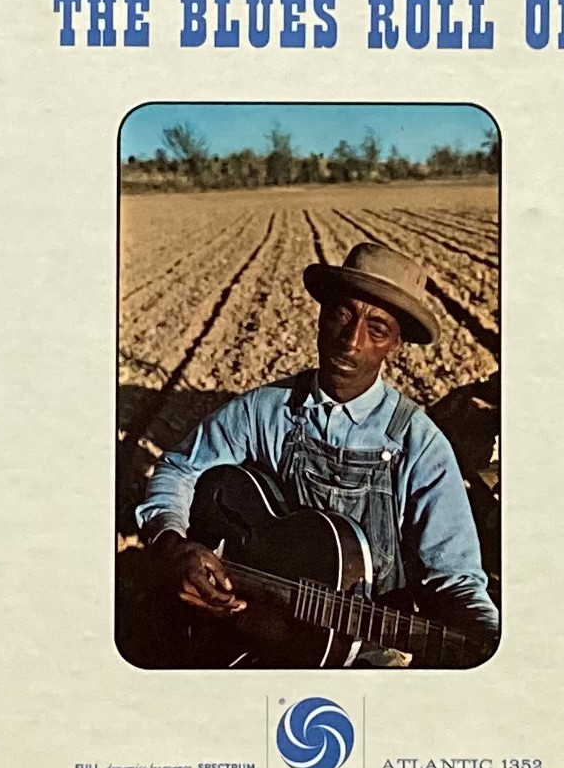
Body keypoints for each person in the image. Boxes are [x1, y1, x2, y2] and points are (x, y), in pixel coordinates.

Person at [138, 242, 497, 662]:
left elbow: (456, 580)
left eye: (377, 329)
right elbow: (180, 470)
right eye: (342, 314)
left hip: (366, 654)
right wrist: (173, 545)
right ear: (322, 315)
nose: (351, 341)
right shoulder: (264, 410)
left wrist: (488, 644)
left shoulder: (419, 444)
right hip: (255, 634)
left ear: (396, 345)